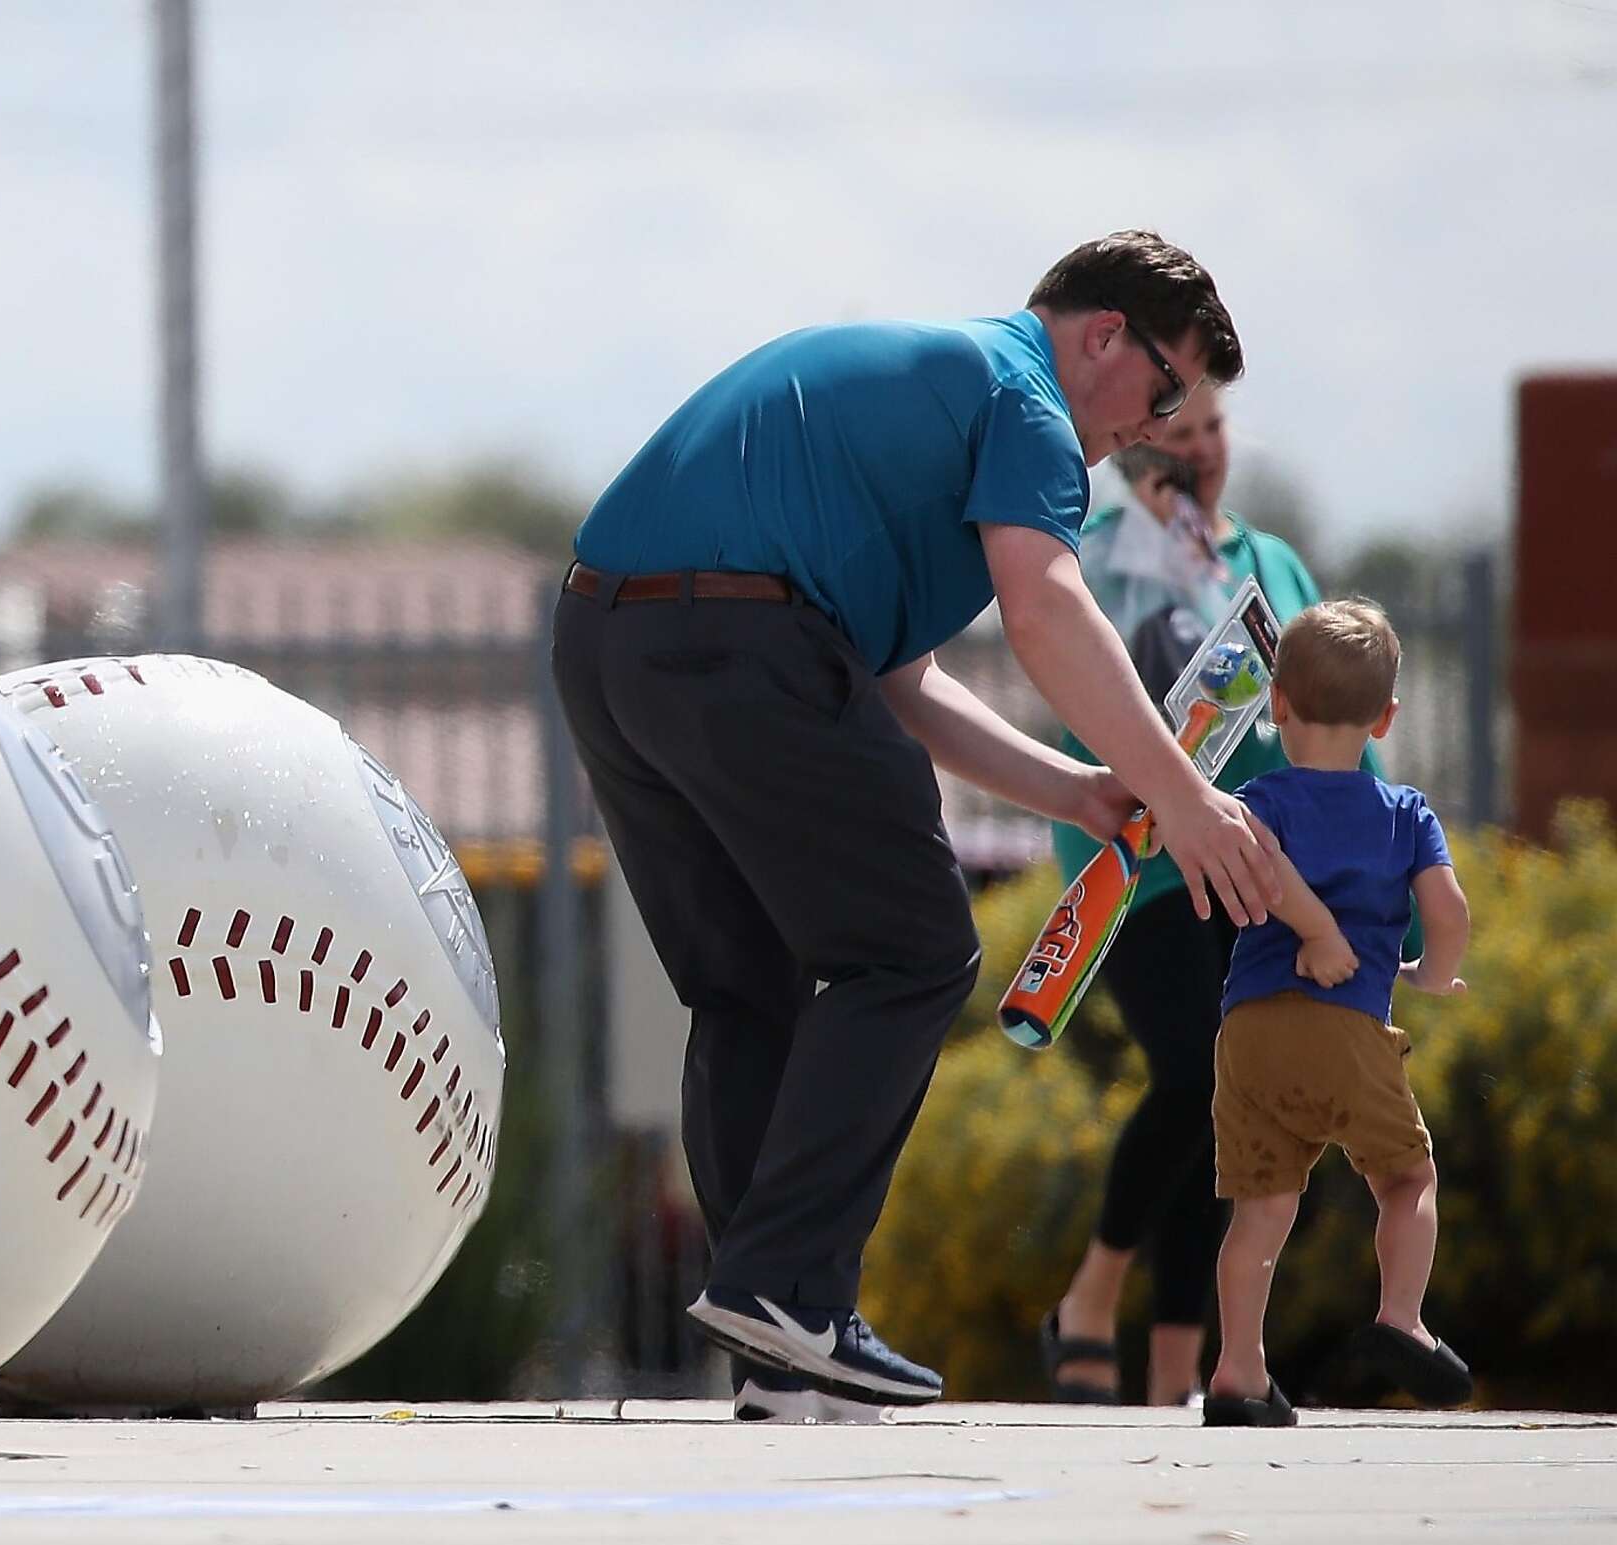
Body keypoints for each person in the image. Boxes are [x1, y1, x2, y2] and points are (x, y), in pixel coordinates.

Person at [551, 230, 1281, 1422]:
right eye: (1161, 390)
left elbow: (903, 688)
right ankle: (791, 1291)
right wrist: (1189, 800)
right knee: (916, 944)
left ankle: (778, 1349)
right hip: (742, 646)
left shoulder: (936, 403)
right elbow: (1047, 610)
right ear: (1104, 335)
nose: (1154, 428)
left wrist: (1084, 792)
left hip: (606, 643)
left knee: (748, 987)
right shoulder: (1026, 405)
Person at [1039, 384, 1401, 1408]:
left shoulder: (1270, 563)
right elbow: (1077, 679)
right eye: (1173, 439)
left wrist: (1378, 872)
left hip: (1258, 870)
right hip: (1145, 860)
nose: (1196, 456)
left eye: (1211, 433)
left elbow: (1332, 721)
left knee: (1231, 1099)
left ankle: (1176, 1368)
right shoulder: (1095, 553)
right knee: (1196, 1062)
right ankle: (1093, 1293)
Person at [1199, 598, 1472, 1427]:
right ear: (1386, 719)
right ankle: (1402, 1318)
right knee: (1406, 1176)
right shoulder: (1405, 814)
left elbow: (1260, 867)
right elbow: (1450, 910)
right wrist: (1430, 973)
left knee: (1263, 1207)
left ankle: (1239, 1372)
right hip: (1347, 1028)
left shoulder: (1257, 801)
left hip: (1248, 1032)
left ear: (1275, 705)